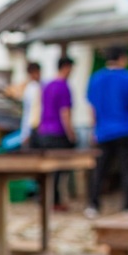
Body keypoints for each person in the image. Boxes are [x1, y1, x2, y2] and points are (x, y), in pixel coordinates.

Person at [85, 46, 128, 218]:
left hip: (103, 131)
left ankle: (93, 205)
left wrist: (94, 129)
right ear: (123, 58)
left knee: (100, 170)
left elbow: (92, 108)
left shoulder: (95, 79)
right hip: (126, 130)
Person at [31, 56, 77, 209]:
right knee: (58, 169)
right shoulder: (64, 86)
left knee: (47, 169)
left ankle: (44, 197)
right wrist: (71, 133)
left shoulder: (47, 86)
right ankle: (54, 201)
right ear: (66, 67)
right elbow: (65, 112)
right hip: (58, 132)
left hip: (44, 131)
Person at [3, 62, 41, 148]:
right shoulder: (33, 88)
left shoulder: (30, 88)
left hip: (29, 129)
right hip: (33, 128)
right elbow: (31, 112)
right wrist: (27, 133)